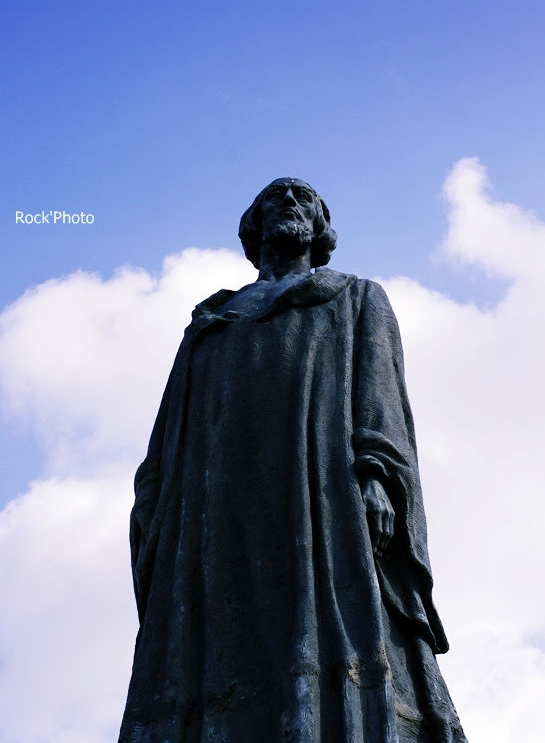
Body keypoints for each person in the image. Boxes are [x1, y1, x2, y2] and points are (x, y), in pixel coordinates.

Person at [118, 178, 468, 743]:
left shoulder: (355, 297)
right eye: (274, 197)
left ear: (320, 226)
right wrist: (155, 509)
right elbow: (169, 431)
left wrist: (378, 473)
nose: (288, 202)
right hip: (213, 506)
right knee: (216, 641)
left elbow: (380, 395)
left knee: (323, 620)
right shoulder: (209, 324)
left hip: (318, 486)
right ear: (253, 224)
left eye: (303, 198)